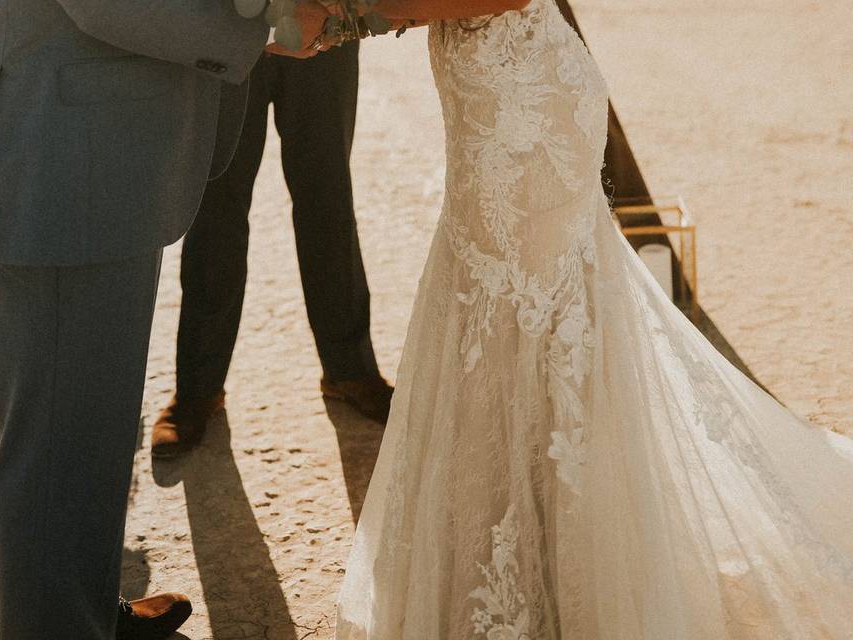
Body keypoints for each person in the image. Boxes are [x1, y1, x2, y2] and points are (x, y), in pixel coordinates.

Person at [335, 1, 853, 638]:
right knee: (500, 312)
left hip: (522, 110)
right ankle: (521, 547)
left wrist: (357, 13)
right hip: (490, 97)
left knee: (530, 316)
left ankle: (565, 565)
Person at [0, 0, 328, 637]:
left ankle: (85, 612)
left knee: (91, 429)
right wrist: (257, 26)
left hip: (105, 153)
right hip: (65, 158)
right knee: (55, 448)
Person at [153, 40, 393, 459]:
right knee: (215, 208)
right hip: (227, 29)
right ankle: (197, 388)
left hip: (325, 34)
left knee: (329, 197)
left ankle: (349, 369)